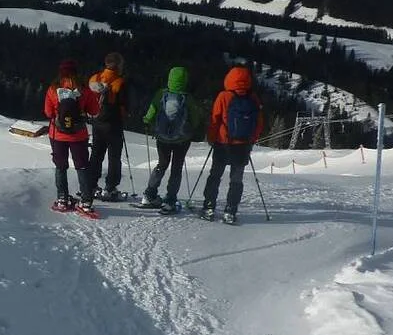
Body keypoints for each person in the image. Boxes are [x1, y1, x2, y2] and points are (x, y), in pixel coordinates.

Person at [201, 65, 264, 223]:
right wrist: (252, 140)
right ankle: (231, 211)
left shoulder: (223, 96)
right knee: (236, 179)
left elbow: (215, 120)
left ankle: (209, 207)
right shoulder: (253, 98)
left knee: (215, 176)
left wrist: (211, 138)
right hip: (242, 145)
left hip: (223, 144)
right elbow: (259, 123)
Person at [140, 66, 205, 213]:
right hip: (182, 139)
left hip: (162, 138)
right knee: (176, 168)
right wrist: (189, 130)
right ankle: (170, 200)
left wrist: (148, 122)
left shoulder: (161, 94)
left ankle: (149, 194)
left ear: (170, 79)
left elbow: (150, 114)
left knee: (161, 165)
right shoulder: (187, 99)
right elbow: (195, 119)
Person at [45, 59, 101, 213]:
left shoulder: (53, 89)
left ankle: (62, 199)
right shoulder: (84, 90)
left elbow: (48, 113)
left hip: (57, 134)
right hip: (78, 135)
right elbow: (95, 111)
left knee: (60, 166)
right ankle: (86, 201)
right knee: (82, 166)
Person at [87, 52, 129, 201]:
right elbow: (124, 107)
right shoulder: (119, 82)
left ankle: (90, 185)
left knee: (96, 155)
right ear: (117, 65)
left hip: (97, 122)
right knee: (114, 157)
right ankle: (110, 188)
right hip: (113, 123)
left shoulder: (94, 78)